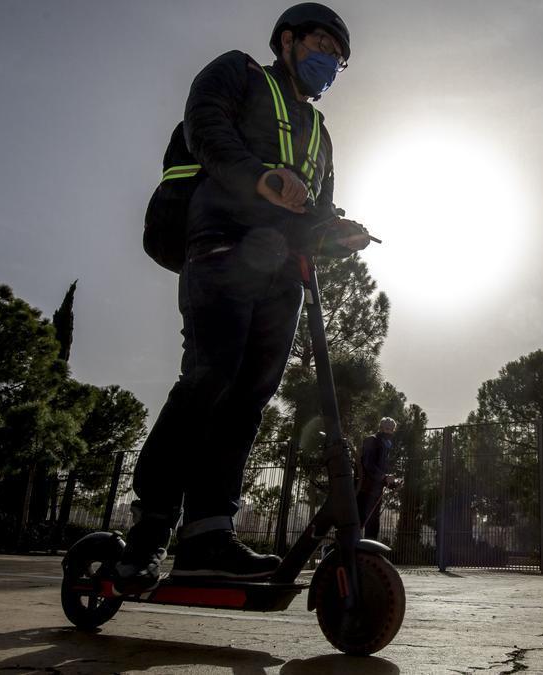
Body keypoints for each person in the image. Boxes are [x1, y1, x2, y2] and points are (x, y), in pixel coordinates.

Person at [116, 3, 371, 591]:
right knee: (212, 374)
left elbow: (316, 210)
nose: (328, 60)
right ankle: (148, 530)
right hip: (221, 242)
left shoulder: (321, 134)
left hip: (284, 270)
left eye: (338, 57)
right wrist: (258, 177)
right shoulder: (239, 73)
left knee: (249, 397)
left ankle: (207, 535)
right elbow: (205, 128)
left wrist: (336, 234)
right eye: (321, 45)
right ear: (287, 40)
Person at [357, 417, 398, 541]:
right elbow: (368, 464)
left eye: (391, 430)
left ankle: (369, 553)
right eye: (386, 429)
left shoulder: (386, 445)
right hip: (364, 489)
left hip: (376, 492)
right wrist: (384, 477)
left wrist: (392, 483)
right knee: (358, 522)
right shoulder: (372, 440)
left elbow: (381, 471)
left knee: (373, 524)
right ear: (380, 428)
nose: (389, 432)